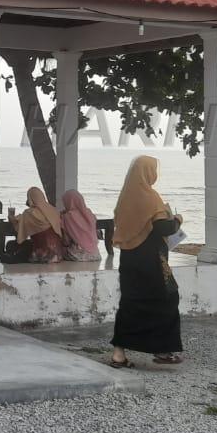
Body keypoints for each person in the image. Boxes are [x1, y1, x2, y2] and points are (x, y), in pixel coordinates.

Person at [108, 156, 184, 368]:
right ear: (148, 172)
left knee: (130, 303)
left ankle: (118, 353)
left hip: (129, 259)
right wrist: (177, 220)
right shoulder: (151, 198)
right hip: (151, 261)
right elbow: (163, 228)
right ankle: (163, 350)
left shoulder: (124, 198)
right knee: (166, 300)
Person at [11, 187, 66, 264]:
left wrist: (12, 218)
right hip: (57, 252)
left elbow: (20, 227)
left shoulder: (29, 213)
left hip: (42, 254)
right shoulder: (53, 210)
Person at [60, 189, 100, 261]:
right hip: (96, 255)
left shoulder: (67, 216)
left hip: (79, 255)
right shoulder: (89, 213)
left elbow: (66, 241)